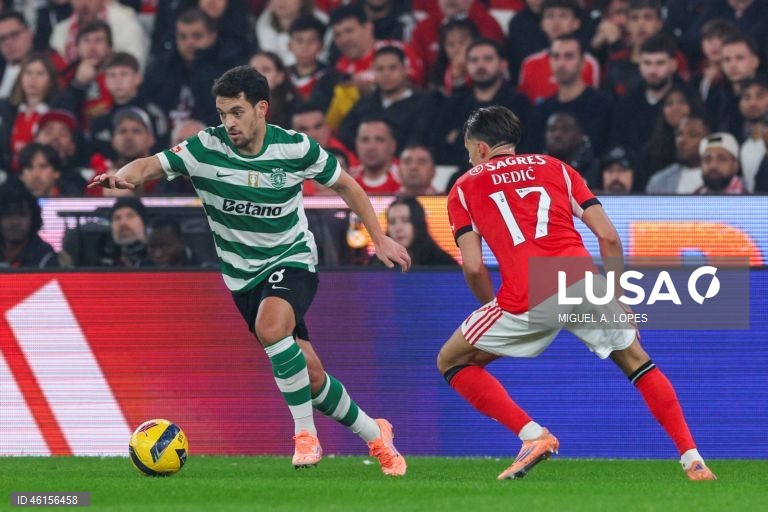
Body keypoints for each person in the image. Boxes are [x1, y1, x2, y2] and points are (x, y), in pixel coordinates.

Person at [89, 65, 410, 475]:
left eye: (237, 112)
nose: (229, 122)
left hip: (292, 257)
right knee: (310, 376)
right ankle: (376, 434)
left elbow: (346, 184)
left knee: (271, 328)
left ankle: (305, 435)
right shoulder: (205, 148)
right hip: (242, 277)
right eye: (223, 113)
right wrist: (123, 177)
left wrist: (379, 238)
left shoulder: (295, 148)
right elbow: (149, 165)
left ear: (261, 109)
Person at [438, 105, 716, 481]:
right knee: (637, 361)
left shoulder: (464, 186)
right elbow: (609, 236)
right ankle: (692, 459)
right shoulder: (557, 168)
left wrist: (493, 305)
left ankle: (532, 435)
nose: (470, 158)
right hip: (581, 280)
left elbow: (473, 266)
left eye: (469, 150)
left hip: (528, 292)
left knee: (452, 360)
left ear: (482, 148)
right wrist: (618, 296)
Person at [0, 182, 59, 269]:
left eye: (22, 215)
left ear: (33, 218)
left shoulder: (45, 256)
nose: (15, 222)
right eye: (8, 215)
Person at [386, 196, 456, 266]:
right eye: (392, 222)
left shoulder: (444, 263)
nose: (398, 228)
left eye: (405, 220)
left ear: (418, 224)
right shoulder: (381, 264)